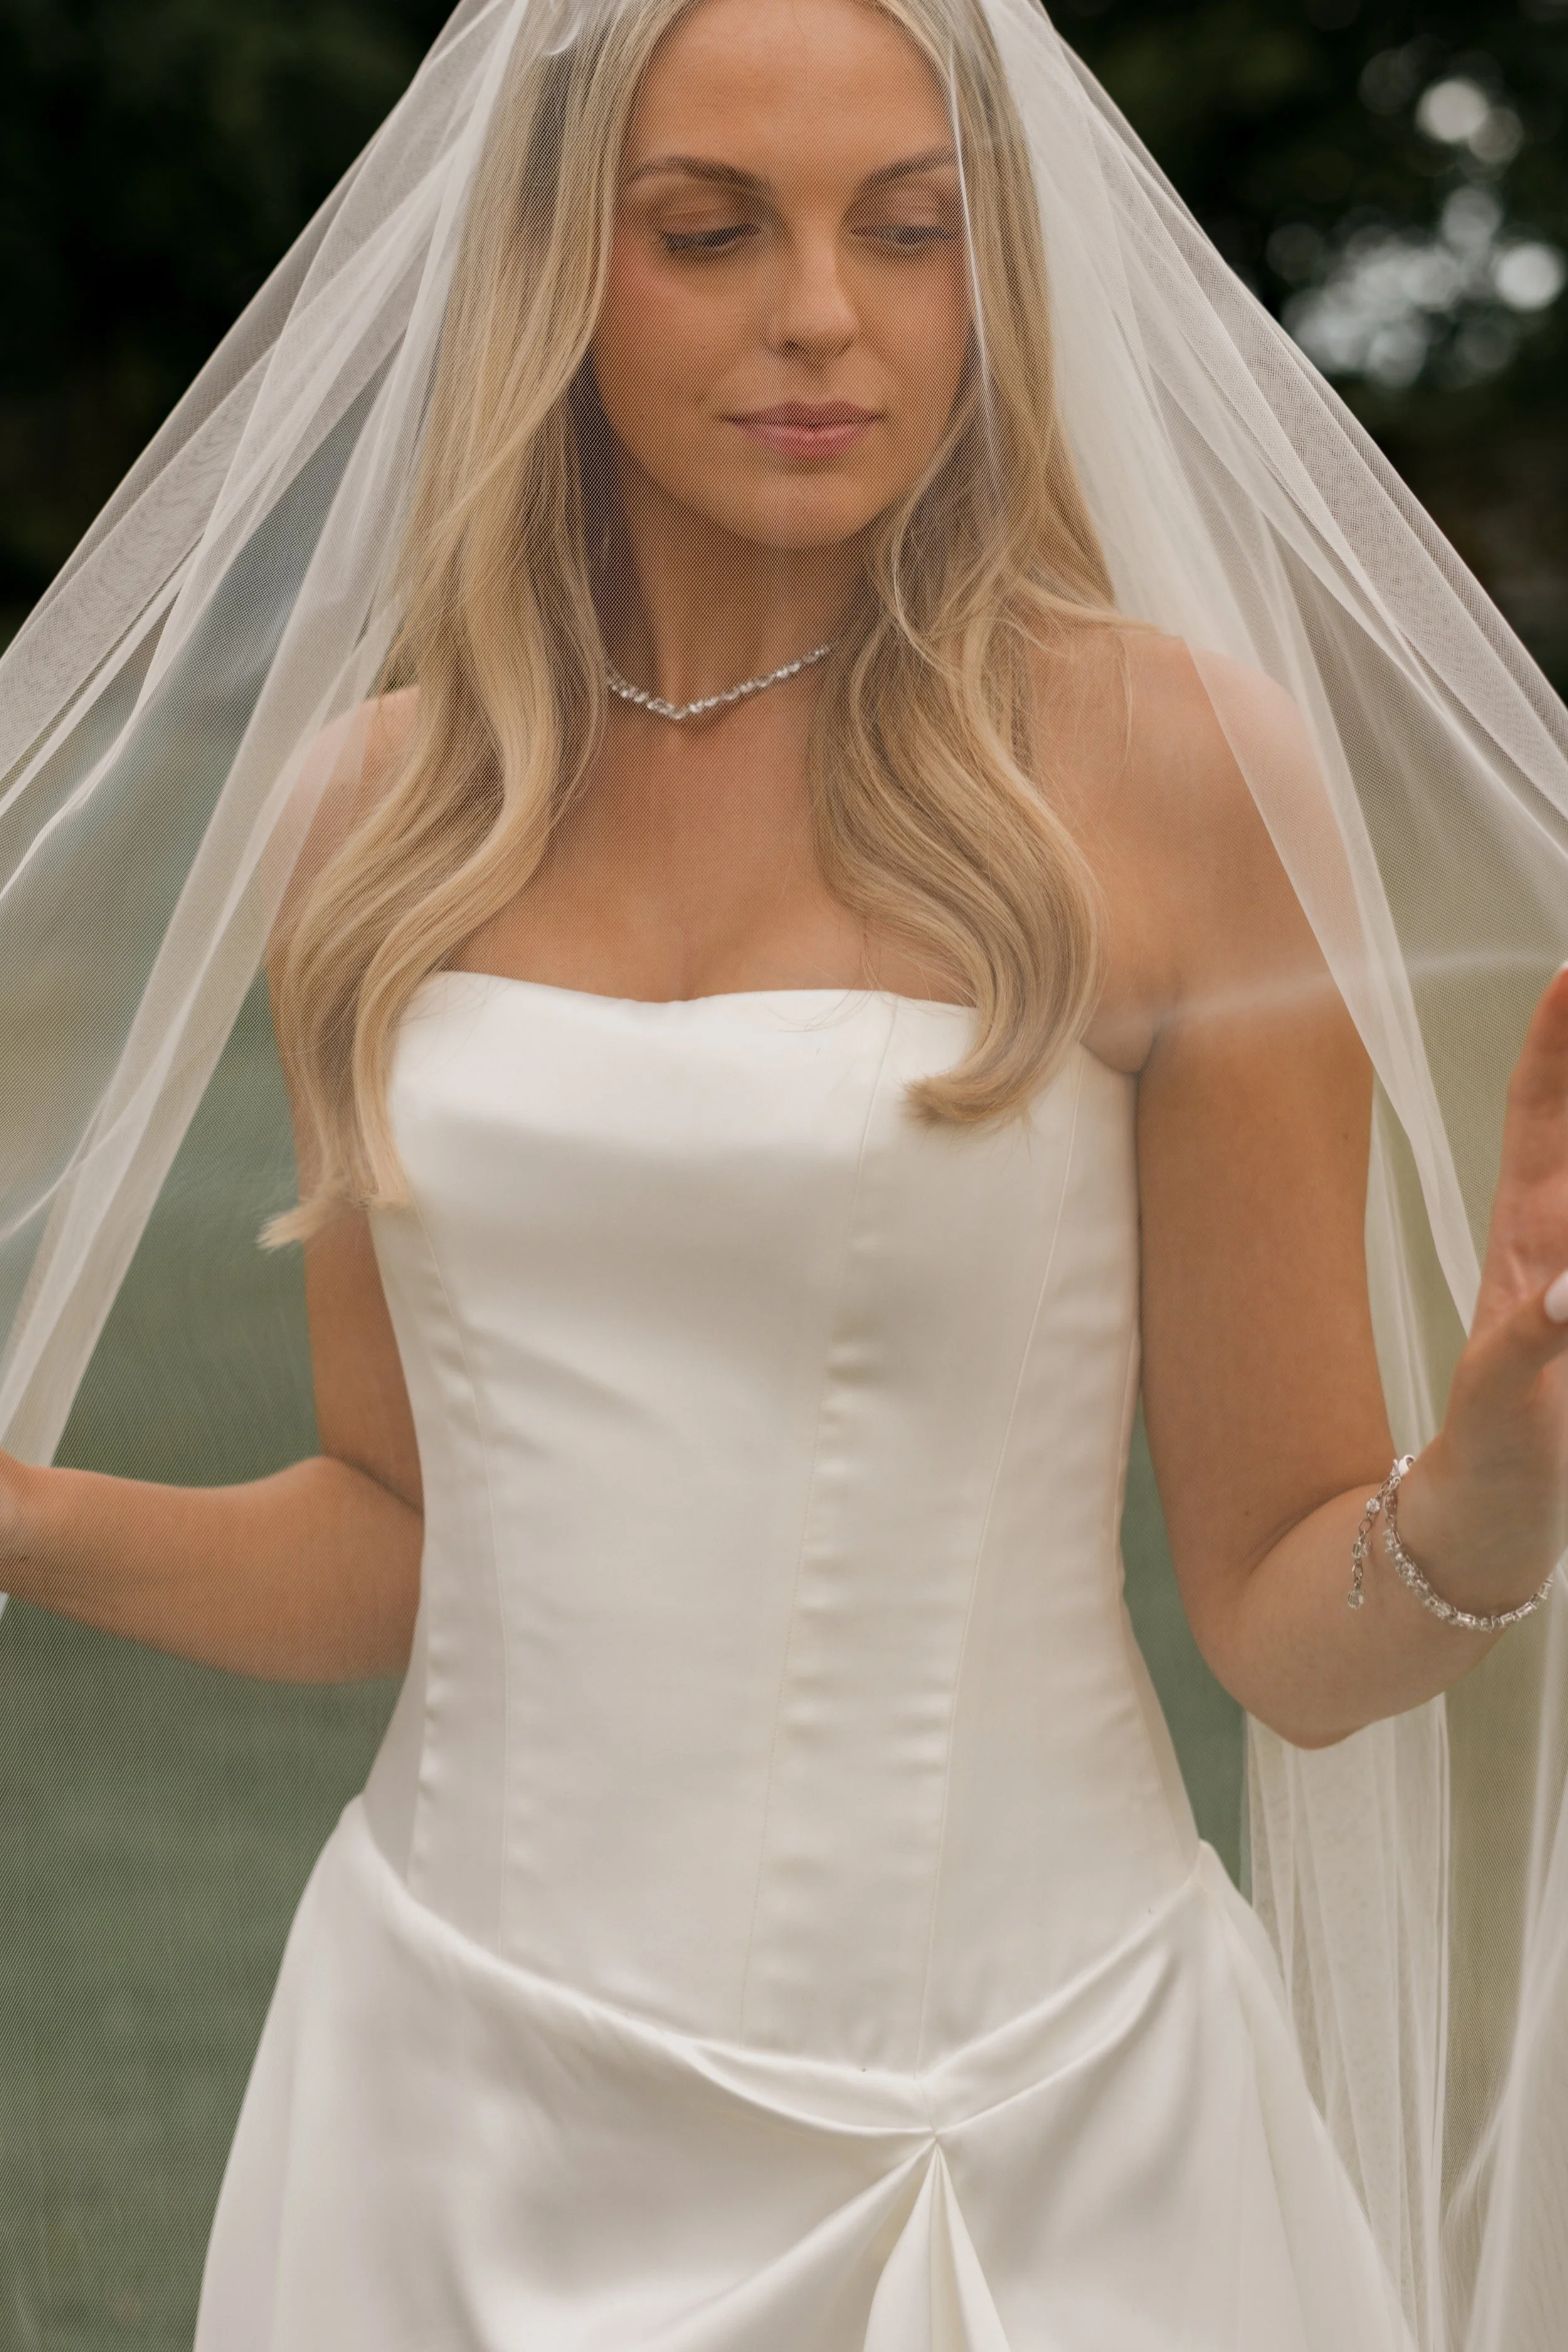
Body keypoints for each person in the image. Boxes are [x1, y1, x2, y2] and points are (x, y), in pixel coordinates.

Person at [1, 0, 1565, 2344]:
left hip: (1026, 2125)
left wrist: (1503, 1474)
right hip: (443, 2110)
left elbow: (1279, 1619)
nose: (821, 315)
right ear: (553, 270)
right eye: (709, 231)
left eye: (909, 230)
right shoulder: (378, 820)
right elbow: (393, 1545)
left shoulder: (1169, 768)